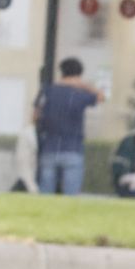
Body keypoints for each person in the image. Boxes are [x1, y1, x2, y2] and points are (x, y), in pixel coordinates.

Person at [34, 57, 105, 195]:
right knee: (71, 197)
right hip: (73, 149)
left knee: (45, 196)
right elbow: (101, 97)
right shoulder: (79, 94)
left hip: (49, 147)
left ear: (62, 72)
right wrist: (83, 85)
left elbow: (35, 116)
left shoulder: (48, 91)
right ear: (79, 74)